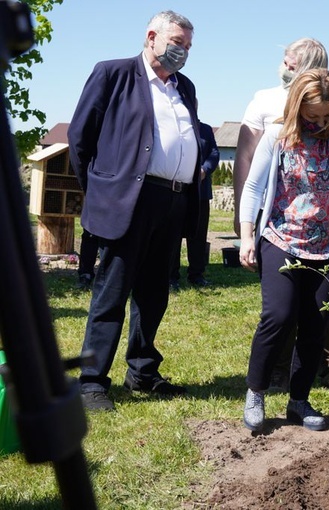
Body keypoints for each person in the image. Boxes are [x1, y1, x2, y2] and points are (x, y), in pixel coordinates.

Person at [68, 10, 201, 411]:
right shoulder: (113, 74)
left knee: (154, 294)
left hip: (173, 201)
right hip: (128, 202)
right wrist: (102, 192)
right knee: (111, 294)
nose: (183, 52)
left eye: (188, 47)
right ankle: (91, 382)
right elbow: (80, 139)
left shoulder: (186, 87)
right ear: (151, 37)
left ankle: (142, 372)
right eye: (177, 43)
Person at [239, 69, 329, 433]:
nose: (321, 122)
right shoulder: (277, 136)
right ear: (298, 106)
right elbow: (252, 190)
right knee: (278, 317)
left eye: (328, 115)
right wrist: (247, 236)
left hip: (326, 246)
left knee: (316, 324)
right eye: (313, 116)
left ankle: (299, 400)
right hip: (280, 240)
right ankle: (256, 391)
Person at [170, 120, 220, 290]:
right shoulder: (173, 126)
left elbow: (214, 153)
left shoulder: (205, 129)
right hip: (176, 190)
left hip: (200, 191)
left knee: (198, 235)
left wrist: (204, 169)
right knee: (173, 235)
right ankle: (171, 276)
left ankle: (196, 274)